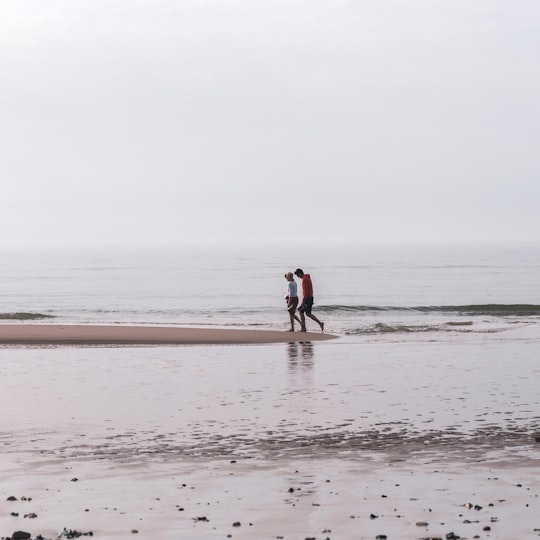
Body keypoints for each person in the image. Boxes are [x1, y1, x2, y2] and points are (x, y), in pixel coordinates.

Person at [294, 268, 324, 332]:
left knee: (301, 312)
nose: (297, 277)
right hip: (310, 297)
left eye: (297, 275)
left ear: (300, 273)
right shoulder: (307, 278)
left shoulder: (304, 279)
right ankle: (320, 323)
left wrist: (303, 301)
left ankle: (303, 328)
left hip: (307, 298)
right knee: (308, 313)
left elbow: (305, 292)